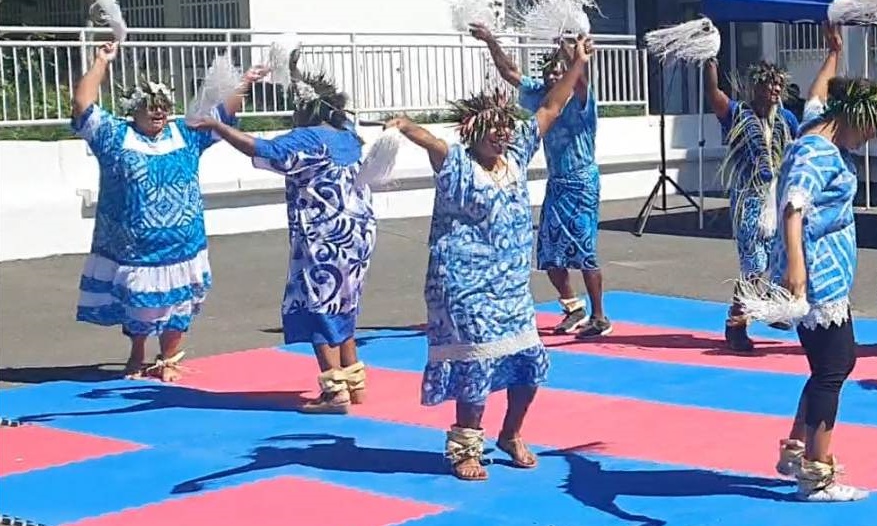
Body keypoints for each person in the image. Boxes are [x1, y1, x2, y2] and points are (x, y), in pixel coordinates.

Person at [386, 38, 593, 480]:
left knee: (530, 362)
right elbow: (432, 142)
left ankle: (511, 433)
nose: (502, 135)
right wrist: (404, 125)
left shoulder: (516, 155)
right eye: (493, 129)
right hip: (464, 283)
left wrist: (577, 62)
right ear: (474, 132)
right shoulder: (458, 165)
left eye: (505, 128)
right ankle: (466, 448)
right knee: (476, 363)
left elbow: (552, 106)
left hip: (510, 286)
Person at [70, 42, 264, 380]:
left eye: (163, 107)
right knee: (138, 304)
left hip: (182, 245)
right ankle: (137, 356)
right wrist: (101, 60)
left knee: (179, 304)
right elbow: (82, 104)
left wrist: (244, 82)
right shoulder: (113, 136)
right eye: (150, 107)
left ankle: (169, 358)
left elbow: (223, 114)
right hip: (135, 249)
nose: (158, 112)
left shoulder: (186, 134)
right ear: (134, 110)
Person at [190, 62, 376, 413]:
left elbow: (264, 149)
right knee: (345, 303)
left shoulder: (310, 139)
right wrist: (288, 70)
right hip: (359, 234)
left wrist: (218, 127)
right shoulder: (348, 133)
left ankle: (334, 389)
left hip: (324, 238)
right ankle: (355, 382)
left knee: (318, 307)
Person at [767, 24, 877, 501]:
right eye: (867, 131)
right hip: (816, 275)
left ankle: (796, 449)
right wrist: (796, 268)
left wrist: (833, 54)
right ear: (852, 118)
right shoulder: (818, 154)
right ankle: (816, 472)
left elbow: (817, 96)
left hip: (827, 275)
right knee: (835, 366)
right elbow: (793, 206)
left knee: (826, 365)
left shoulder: (817, 127)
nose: (866, 141)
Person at [472, 23, 610, 338]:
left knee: (584, 249)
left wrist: (570, 48)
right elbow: (510, 72)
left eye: (559, 71)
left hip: (582, 182)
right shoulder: (539, 95)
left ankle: (599, 316)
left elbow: (581, 78)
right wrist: (491, 40)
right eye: (549, 72)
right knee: (549, 253)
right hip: (557, 183)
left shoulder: (581, 99)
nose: (552, 76)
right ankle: (572, 306)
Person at [704, 56, 798, 352]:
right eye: (770, 84)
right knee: (754, 266)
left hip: (777, 198)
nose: (776, 89)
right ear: (756, 87)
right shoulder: (738, 114)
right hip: (749, 200)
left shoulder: (786, 119)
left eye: (779, 84)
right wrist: (710, 65)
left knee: (779, 259)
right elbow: (714, 95)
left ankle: (774, 309)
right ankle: (736, 325)